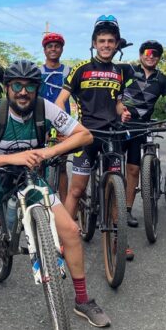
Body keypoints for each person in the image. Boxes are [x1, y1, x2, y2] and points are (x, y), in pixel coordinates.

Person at [0, 60, 111, 328]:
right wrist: (15, 158)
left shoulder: (44, 108)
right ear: (7, 88)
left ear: (37, 89)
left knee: (72, 233)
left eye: (30, 86)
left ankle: (83, 300)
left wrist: (49, 152)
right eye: (17, 85)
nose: (23, 92)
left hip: (29, 177)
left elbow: (84, 135)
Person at [55, 15, 133, 260]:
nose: (106, 45)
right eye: (102, 41)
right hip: (85, 137)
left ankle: (119, 241)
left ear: (116, 44)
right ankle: (64, 238)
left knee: (115, 190)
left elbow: (118, 104)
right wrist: (61, 127)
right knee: (76, 190)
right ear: (94, 43)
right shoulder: (81, 69)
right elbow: (61, 101)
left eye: (111, 41)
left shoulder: (120, 73)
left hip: (112, 136)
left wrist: (125, 112)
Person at [119, 40, 166, 226]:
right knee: (111, 167)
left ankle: (127, 210)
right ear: (140, 55)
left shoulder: (162, 80)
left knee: (133, 169)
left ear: (159, 58)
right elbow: (112, 90)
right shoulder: (128, 71)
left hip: (140, 127)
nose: (151, 56)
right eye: (147, 52)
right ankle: (109, 205)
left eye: (155, 54)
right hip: (119, 125)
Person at [39, 32, 71, 201]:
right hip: (41, 121)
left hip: (62, 122)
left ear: (62, 49)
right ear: (44, 50)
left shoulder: (68, 71)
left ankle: (66, 205)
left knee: (62, 166)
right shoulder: (38, 72)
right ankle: (38, 200)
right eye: (49, 46)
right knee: (38, 163)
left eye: (57, 46)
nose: (53, 49)